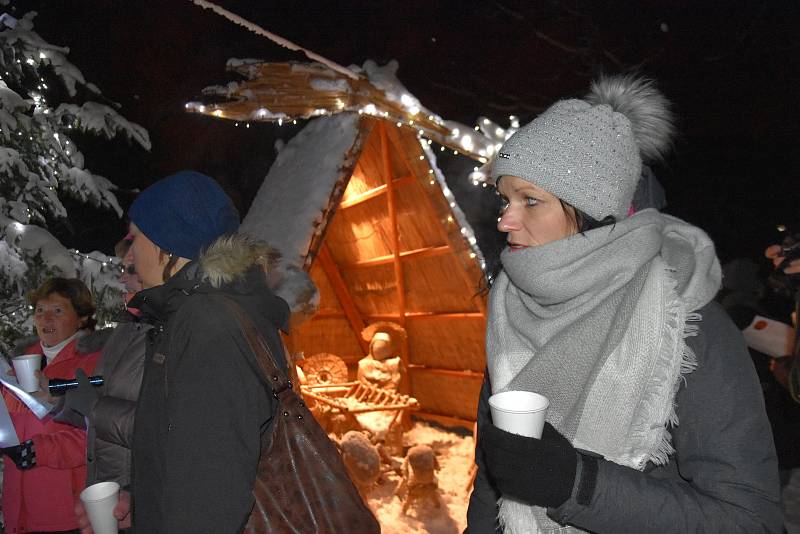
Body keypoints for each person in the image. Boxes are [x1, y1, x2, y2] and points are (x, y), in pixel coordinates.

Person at [466, 74, 783, 533]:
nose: (505, 220)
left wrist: (578, 485)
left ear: (594, 210)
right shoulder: (513, 310)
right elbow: (493, 478)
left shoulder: (688, 323)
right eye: (505, 198)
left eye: (530, 200)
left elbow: (751, 520)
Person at [76, 170, 289, 534]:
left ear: (167, 245)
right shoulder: (186, 317)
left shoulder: (208, 324)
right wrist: (141, 502)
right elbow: (188, 456)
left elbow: (211, 502)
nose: (129, 255)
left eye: (136, 239)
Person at [2, 277, 101, 533]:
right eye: (40, 311)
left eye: (57, 310)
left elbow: (96, 436)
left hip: (65, 512)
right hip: (18, 510)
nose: (46, 319)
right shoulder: (18, 366)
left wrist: (38, 451)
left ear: (80, 318)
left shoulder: (93, 364)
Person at [64, 235, 150, 496]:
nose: (123, 278)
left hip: (140, 492)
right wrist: (60, 401)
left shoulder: (167, 334)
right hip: (109, 486)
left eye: (132, 270)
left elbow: (160, 427)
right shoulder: (126, 328)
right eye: (123, 269)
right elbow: (108, 394)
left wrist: (93, 406)